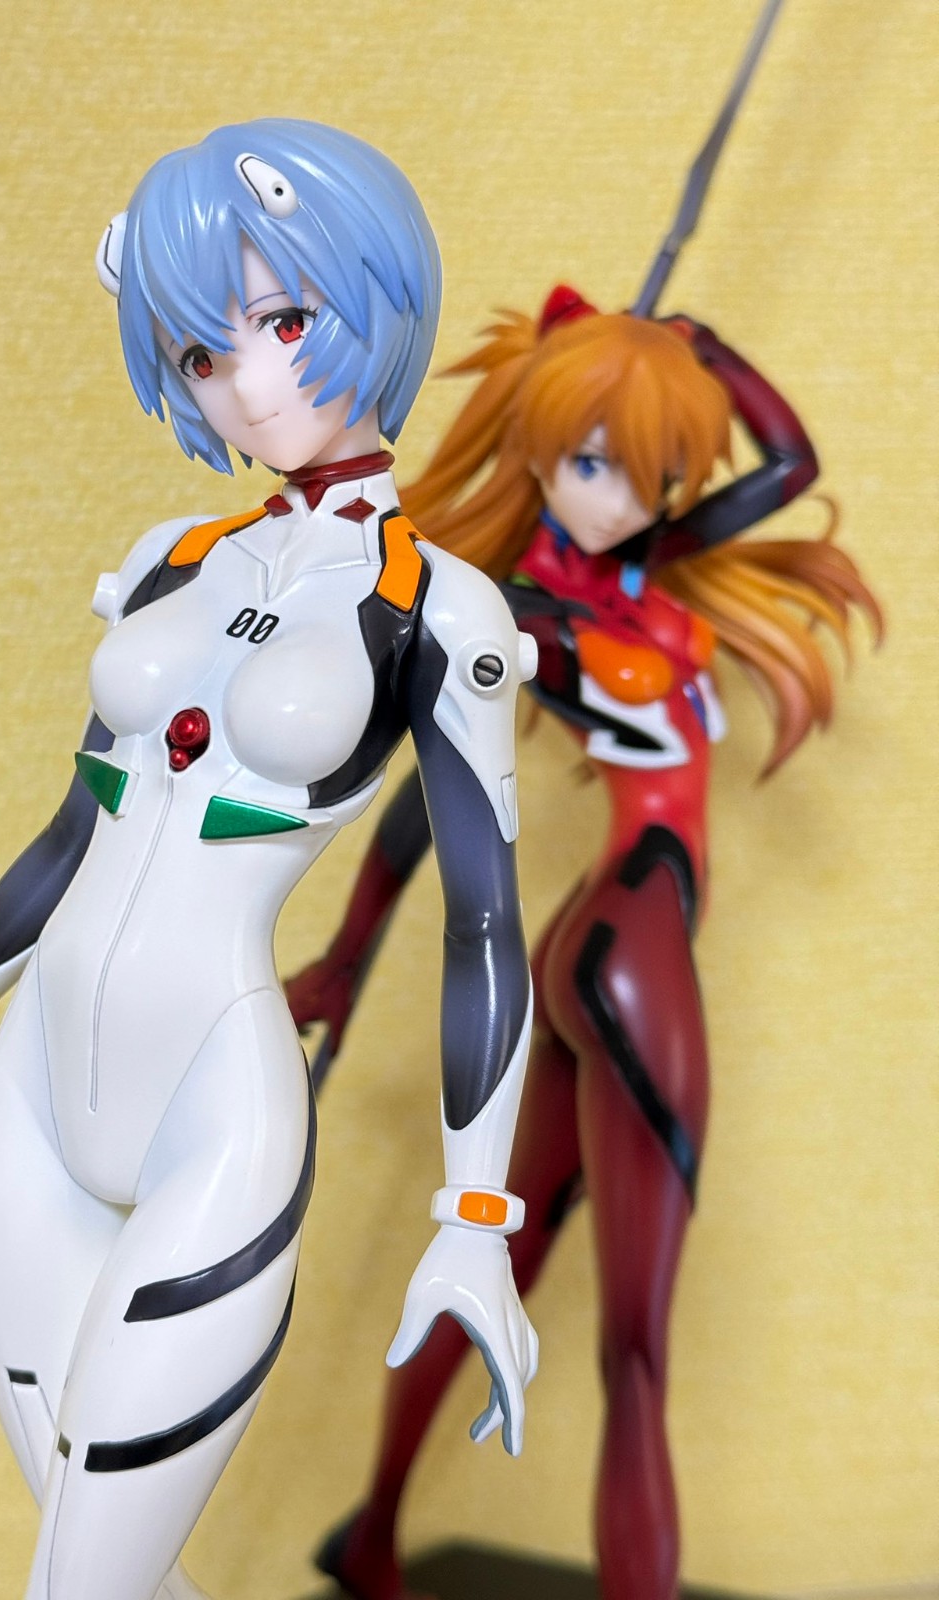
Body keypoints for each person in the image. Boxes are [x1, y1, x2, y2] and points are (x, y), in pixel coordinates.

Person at [0, 120, 540, 1600]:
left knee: (79, 1584)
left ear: (376, 296)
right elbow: (71, 834)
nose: (250, 384)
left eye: (286, 322)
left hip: (214, 1107)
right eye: (203, 353)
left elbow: (484, 924)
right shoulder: (173, 560)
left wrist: (476, 1219)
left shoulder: (440, 610)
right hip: (33, 1095)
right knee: (104, 1570)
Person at [290, 286, 881, 1600]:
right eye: (594, 463)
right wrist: (344, 959)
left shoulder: (646, 570)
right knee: (637, 1353)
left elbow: (790, 466)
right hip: (631, 940)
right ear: (539, 451)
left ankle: (373, 1537)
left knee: (505, 1264)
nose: (625, 500)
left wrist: (709, 350)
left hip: (596, 945)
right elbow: (430, 796)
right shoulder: (518, 618)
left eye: (656, 472)